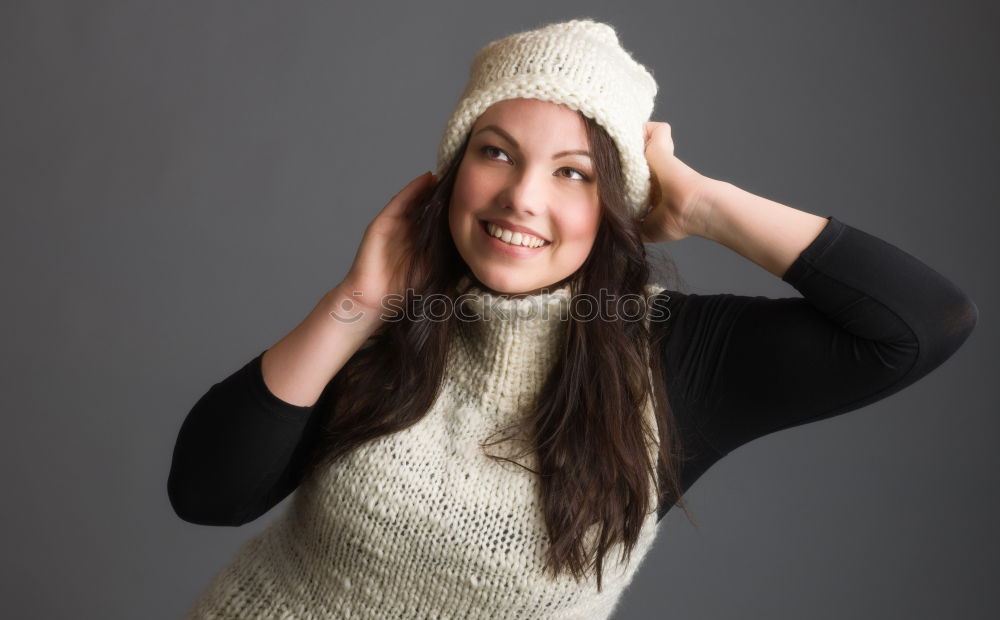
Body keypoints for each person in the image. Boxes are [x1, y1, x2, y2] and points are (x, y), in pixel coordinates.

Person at [167, 18, 978, 619]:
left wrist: (702, 202)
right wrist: (351, 306)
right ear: (452, 173)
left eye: (575, 173)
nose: (523, 196)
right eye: (495, 152)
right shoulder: (393, 317)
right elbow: (206, 493)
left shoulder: (670, 358)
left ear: (617, 204)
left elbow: (924, 322)